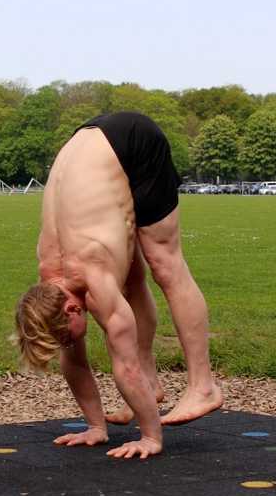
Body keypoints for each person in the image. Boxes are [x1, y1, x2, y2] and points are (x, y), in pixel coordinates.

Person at [15, 111, 222, 460]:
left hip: (134, 143)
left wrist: (150, 437)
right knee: (130, 275)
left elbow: (123, 365)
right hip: (91, 146)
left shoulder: (91, 278)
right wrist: (96, 427)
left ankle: (203, 386)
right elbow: (75, 362)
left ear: (72, 307)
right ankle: (151, 386)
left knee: (164, 262)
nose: (71, 345)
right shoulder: (50, 287)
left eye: (67, 336)